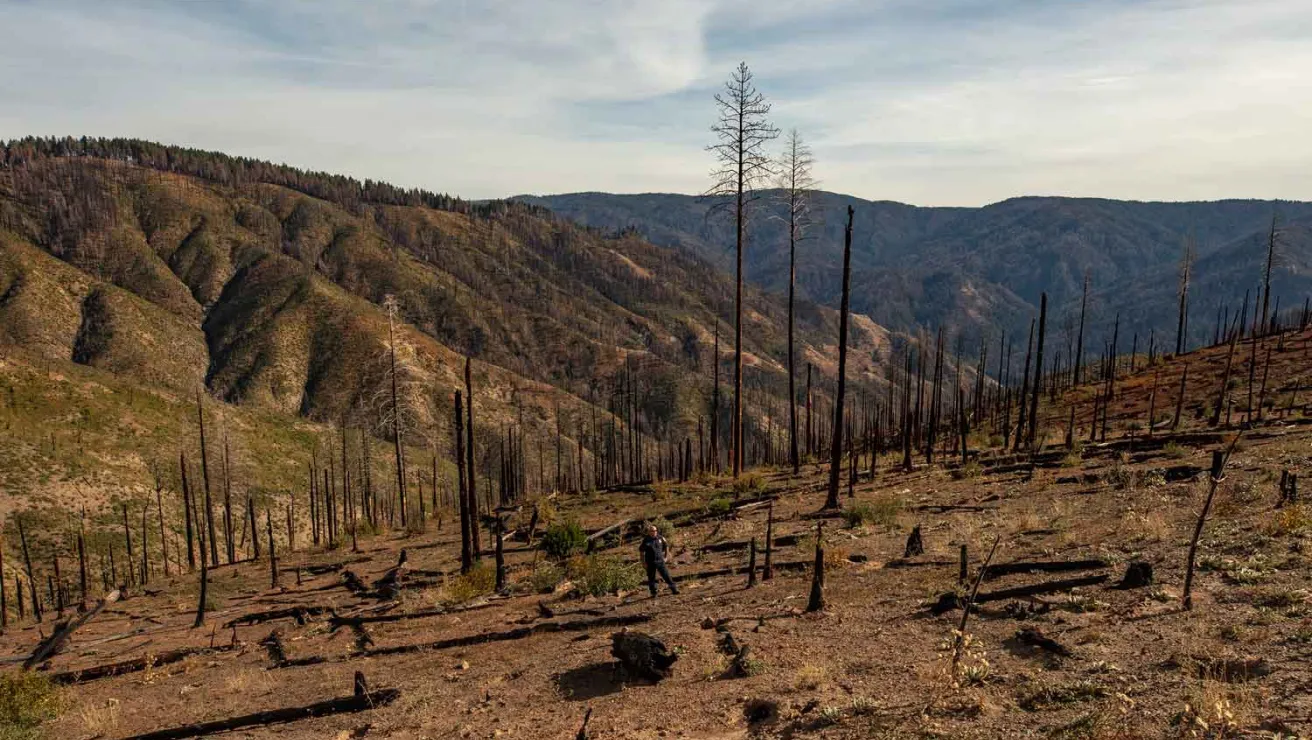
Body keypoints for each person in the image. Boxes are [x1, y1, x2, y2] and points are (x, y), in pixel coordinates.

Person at [639, 523, 678, 598]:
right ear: (649, 532)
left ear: (656, 531)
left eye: (655, 531)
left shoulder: (660, 538)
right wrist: (643, 563)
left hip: (660, 561)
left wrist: (666, 557)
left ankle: (674, 589)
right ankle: (653, 593)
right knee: (651, 578)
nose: (653, 532)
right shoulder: (646, 540)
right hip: (650, 562)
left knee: (667, 576)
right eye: (651, 531)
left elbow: (666, 546)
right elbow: (641, 552)